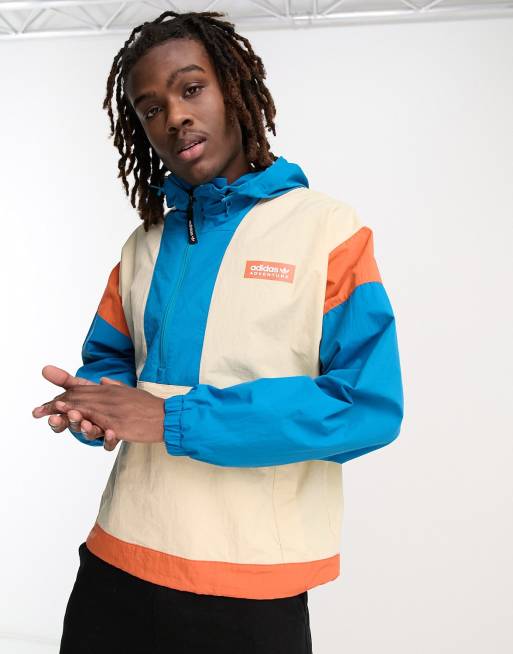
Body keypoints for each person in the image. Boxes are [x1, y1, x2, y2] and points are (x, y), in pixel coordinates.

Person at [31, 10, 404, 654]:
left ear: (233, 89)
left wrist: (170, 419)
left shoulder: (327, 231)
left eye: (191, 88)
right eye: (151, 108)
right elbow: (111, 361)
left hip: (250, 588)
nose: (174, 116)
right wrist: (96, 404)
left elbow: (366, 406)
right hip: (118, 562)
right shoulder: (142, 246)